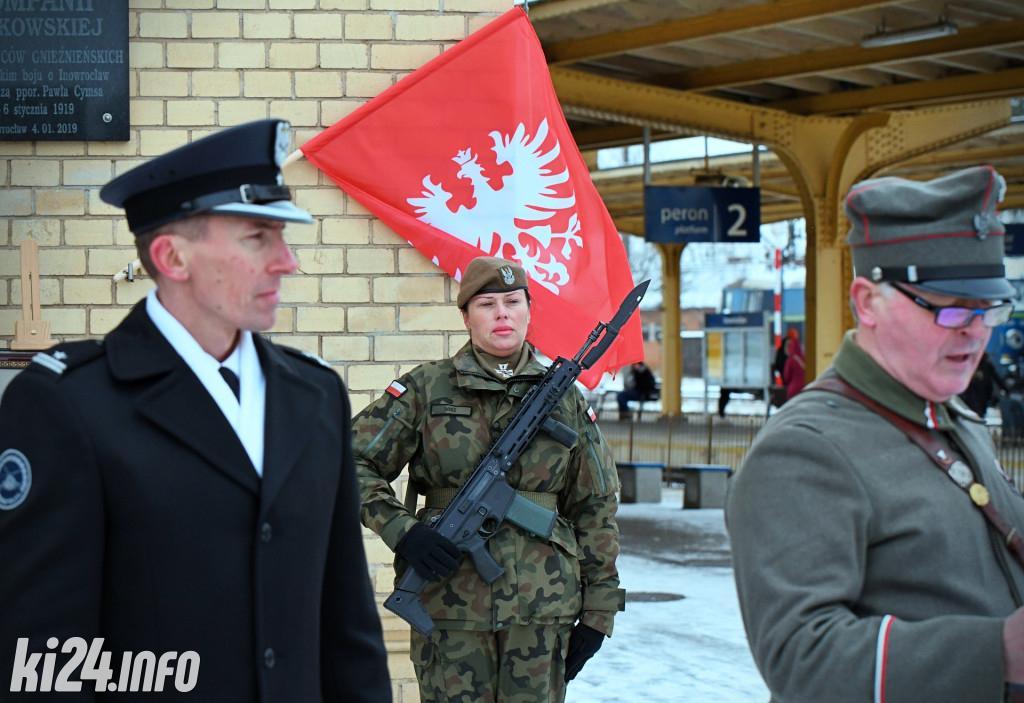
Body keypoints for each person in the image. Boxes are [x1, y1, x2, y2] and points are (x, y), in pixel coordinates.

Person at [0, 120, 391, 702]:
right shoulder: (70, 404)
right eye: (258, 237)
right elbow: (45, 658)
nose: (287, 262)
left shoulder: (314, 396)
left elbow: (346, 624)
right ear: (172, 257)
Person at [726, 165, 1024, 702]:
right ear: (867, 301)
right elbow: (800, 656)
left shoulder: (955, 419)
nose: (976, 331)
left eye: (990, 309)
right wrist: (998, 650)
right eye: (953, 307)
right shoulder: (804, 449)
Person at [351, 256, 624, 703]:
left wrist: (599, 610)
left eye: (513, 301)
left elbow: (595, 507)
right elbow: (351, 463)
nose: (502, 313)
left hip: (542, 612)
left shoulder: (565, 400)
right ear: (466, 316)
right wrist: (405, 532)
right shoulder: (425, 389)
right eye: (487, 304)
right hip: (450, 608)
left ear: (529, 311)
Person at [960, 351, 1008, 417]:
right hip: (981, 393)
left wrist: (1005, 389)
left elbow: (996, 378)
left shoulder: (971, 365)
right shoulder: (986, 365)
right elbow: (996, 378)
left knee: (975, 411)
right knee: (979, 411)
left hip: (975, 393)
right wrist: (1005, 389)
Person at [781, 334, 805, 401]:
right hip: (805, 388)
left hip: (793, 389)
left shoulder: (790, 360)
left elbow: (786, 377)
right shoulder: (805, 358)